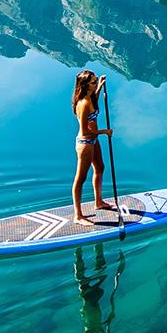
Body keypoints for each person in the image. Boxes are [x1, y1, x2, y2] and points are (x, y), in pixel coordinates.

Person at [71, 69, 114, 224]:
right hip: (85, 144)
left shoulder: (90, 97)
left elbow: (94, 99)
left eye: (96, 80)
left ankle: (98, 202)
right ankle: (78, 216)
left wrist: (100, 86)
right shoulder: (83, 103)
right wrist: (104, 132)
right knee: (80, 179)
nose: (95, 83)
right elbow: (84, 130)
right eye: (93, 82)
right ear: (85, 85)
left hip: (93, 141)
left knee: (100, 167)